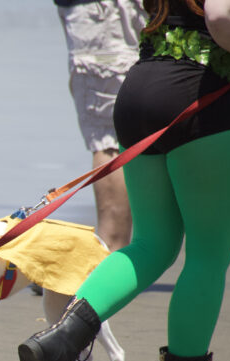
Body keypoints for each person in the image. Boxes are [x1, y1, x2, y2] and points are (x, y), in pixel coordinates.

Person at [19, 0, 230, 361]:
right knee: (208, 252)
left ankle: (62, 339)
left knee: (152, 243)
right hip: (201, 95)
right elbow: (221, 15)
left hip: (139, 88)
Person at [54, 0, 147, 251]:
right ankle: (119, 253)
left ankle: (111, 252)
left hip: (108, 13)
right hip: (113, 14)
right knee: (124, 135)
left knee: (110, 139)